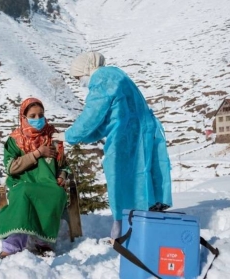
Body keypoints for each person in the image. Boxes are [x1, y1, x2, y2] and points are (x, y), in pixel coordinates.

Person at [52, 52, 172, 241]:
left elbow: (92, 116)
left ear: (86, 69)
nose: (80, 82)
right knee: (142, 179)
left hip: (127, 139)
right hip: (140, 133)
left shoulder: (102, 78)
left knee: (122, 183)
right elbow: (105, 121)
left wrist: (68, 135)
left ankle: (125, 233)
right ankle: (140, 227)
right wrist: (77, 137)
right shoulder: (116, 75)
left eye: (78, 78)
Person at [0, 97, 69, 259]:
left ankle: (43, 242)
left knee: (57, 193)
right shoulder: (15, 140)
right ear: (23, 117)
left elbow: (64, 165)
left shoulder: (53, 137)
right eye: (32, 116)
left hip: (47, 184)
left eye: (41, 115)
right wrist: (38, 153)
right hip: (23, 182)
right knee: (25, 193)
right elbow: (11, 167)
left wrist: (62, 175)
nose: (38, 119)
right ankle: (12, 245)